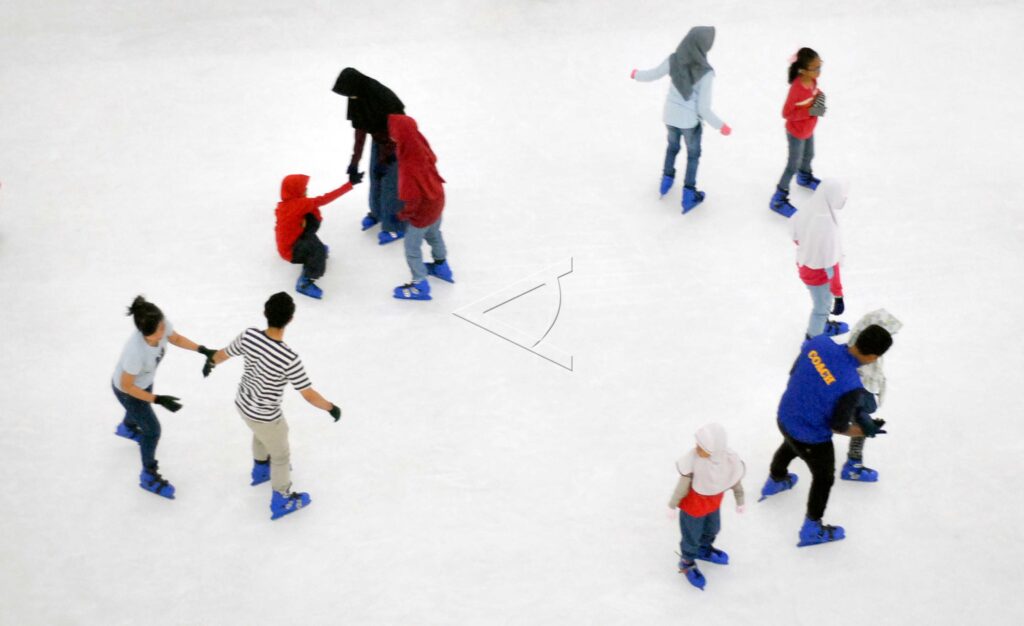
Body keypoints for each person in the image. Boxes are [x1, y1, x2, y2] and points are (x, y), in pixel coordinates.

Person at [203, 292, 342, 520]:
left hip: (243, 404)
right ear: (291, 319)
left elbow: (222, 354)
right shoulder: (288, 358)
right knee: (280, 455)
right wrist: (330, 407)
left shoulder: (249, 336)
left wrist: (210, 363)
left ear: (265, 313)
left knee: (261, 433)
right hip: (266, 414)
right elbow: (308, 394)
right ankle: (282, 498)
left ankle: (260, 469)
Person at [759, 325, 893, 547]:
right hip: (811, 436)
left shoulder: (819, 343)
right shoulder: (851, 385)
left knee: (790, 445)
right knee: (824, 478)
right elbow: (839, 426)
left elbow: (794, 371)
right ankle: (812, 529)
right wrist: (865, 430)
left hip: (785, 415)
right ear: (873, 357)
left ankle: (775, 480)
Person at [111, 295, 216, 499]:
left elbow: (175, 337)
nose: (164, 330)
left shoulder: (160, 324)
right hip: (128, 392)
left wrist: (202, 350)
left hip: (144, 382)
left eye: (163, 324)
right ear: (146, 334)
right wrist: (157, 400)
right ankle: (148, 476)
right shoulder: (135, 352)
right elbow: (127, 386)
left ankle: (127, 427)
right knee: (152, 431)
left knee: (140, 410)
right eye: (159, 329)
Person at [631, 26, 731, 213]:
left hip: (669, 116)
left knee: (672, 147)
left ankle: (666, 181)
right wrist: (721, 126)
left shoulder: (674, 59)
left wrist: (636, 74)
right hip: (689, 122)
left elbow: (653, 74)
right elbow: (703, 108)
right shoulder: (706, 73)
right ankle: (688, 195)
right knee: (693, 155)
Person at [332, 67, 407, 244]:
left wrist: (385, 159)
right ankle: (377, 213)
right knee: (375, 177)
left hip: (396, 140)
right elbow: (360, 130)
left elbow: (395, 131)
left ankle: (396, 226)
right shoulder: (355, 95)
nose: (349, 98)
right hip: (379, 138)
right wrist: (354, 163)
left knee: (390, 183)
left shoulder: (382, 97)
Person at [668, 423, 745, 590]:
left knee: (713, 528)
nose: (696, 449)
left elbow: (735, 481)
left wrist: (740, 499)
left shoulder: (727, 461)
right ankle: (686, 562)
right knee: (691, 537)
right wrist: (672, 505)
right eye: (697, 445)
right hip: (693, 509)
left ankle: (704, 548)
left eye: (701, 447)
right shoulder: (693, 462)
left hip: (712, 504)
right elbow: (683, 485)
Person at [387, 113, 453, 301]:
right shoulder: (420, 145)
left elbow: (413, 198)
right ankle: (441, 266)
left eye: (393, 132)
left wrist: (401, 215)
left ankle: (420, 284)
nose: (391, 135)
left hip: (423, 211)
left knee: (412, 247)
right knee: (434, 234)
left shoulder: (409, 165)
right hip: (437, 200)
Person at [275, 174, 358, 299]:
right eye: (303, 188)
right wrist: (349, 185)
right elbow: (325, 199)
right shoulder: (300, 204)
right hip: (291, 251)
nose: (306, 190)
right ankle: (305, 281)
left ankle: (310, 253)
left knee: (313, 231)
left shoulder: (284, 205)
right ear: (296, 190)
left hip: (289, 245)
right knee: (317, 251)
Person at [842, 310, 902, 482]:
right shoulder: (866, 358)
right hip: (856, 393)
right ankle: (853, 466)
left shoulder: (858, 346)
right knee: (860, 424)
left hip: (856, 392)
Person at [770, 47, 827, 218]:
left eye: (820, 67)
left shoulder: (813, 81)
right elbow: (786, 114)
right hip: (796, 132)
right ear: (802, 70)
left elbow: (814, 94)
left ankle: (804, 177)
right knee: (792, 165)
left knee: (809, 155)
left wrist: (820, 98)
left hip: (809, 128)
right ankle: (778, 199)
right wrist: (809, 112)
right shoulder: (796, 88)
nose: (819, 71)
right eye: (815, 68)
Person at [792, 179, 849, 338]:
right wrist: (838, 295)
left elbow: (795, 233)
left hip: (804, 265)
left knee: (821, 304)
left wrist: (810, 249)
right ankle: (813, 339)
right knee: (821, 308)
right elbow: (831, 264)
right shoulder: (826, 225)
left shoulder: (808, 210)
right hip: (818, 276)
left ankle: (821, 325)